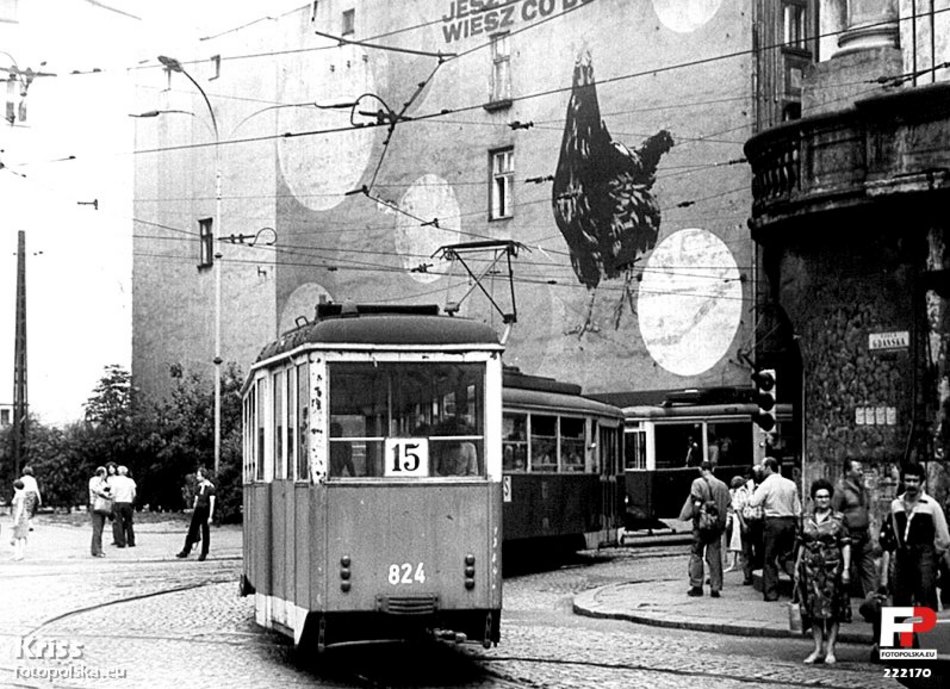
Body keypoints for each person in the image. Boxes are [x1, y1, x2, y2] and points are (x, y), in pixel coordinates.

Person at [793, 478, 852, 664]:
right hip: (810, 570)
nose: (823, 500)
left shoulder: (839, 519)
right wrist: (796, 566)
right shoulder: (805, 518)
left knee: (833, 610)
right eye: (819, 497)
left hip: (832, 571)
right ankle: (817, 649)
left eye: (826, 496)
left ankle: (830, 650)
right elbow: (801, 543)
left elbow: (846, 545)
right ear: (813, 498)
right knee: (813, 611)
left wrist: (847, 569)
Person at [886, 463, 950, 610]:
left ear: (922, 483)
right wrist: (900, 548)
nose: (911, 484)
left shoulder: (931, 505)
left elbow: (944, 537)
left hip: (925, 554)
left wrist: (934, 554)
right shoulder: (896, 504)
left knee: (926, 594)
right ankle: (905, 632)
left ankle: (927, 632)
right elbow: (896, 531)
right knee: (900, 596)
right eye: (908, 480)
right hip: (903, 554)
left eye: (915, 481)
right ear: (903, 481)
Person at [749, 456, 802, 601]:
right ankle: (798, 583)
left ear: (768, 467)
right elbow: (797, 509)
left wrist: (753, 490)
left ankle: (771, 592)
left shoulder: (766, 484)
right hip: (789, 522)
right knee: (787, 556)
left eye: (761, 466)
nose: (760, 469)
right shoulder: (790, 484)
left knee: (770, 558)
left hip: (773, 522)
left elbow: (753, 502)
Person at [832, 458, 877, 598]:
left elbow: (867, 509)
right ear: (848, 472)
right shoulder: (840, 490)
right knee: (843, 572)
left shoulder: (863, 489)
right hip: (848, 537)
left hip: (864, 536)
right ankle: (841, 607)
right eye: (858, 469)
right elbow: (835, 513)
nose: (861, 472)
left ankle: (873, 606)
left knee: (869, 572)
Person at [686, 460, 731, 597]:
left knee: (697, 554)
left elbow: (696, 502)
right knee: (714, 555)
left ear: (701, 469)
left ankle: (697, 585)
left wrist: (695, 516)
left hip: (702, 524)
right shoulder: (723, 485)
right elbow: (728, 503)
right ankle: (715, 587)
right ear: (713, 469)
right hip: (717, 525)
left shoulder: (697, 483)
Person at [177, 467, 216, 561]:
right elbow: (197, 498)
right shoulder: (199, 486)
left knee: (205, 531)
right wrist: (195, 504)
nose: (197, 477)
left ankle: (204, 552)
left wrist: (210, 516)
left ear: (203, 476)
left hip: (205, 509)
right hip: (198, 509)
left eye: (199, 475)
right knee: (192, 530)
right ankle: (186, 550)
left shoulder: (210, 487)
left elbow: (212, 502)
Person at [725, 475, 747, 573]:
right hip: (734, 517)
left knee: (739, 540)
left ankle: (740, 561)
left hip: (739, 517)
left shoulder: (742, 492)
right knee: (735, 540)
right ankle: (735, 562)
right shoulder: (731, 492)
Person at [111, 466, 137, 548]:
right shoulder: (130, 481)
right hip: (128, 502)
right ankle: (131, 541)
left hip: (118, 502)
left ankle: (121, 542)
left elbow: (113, 493)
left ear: (118, 472)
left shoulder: (115, 481)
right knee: (129, 522)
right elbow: (134, 493)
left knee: (119, 522)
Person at [88, 466, 111, 558]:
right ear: (102, 473)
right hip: (96, 505)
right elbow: (96, 490)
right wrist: (106, 494)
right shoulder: (95, 480)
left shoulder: (103, 482)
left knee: (100, 528)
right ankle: (97, 550)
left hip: (102, 506)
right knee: (97, 528)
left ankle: (96, 549)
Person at [10, 479, 32, 560]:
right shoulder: (22, 494)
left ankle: (18, 554)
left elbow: (20, 507)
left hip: (20, 516)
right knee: (21, 536)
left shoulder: (19, 495)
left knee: (18, 536)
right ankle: (19, 554)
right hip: (23, 516)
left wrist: (16, 519)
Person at [18, 466, 41, 530]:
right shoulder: (33, 479)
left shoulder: (22, 479)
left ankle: (28, 524)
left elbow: (20, 488)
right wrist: (39, 498)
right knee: (29, 510)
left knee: (24, 509)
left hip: (25, 494)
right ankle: (29, 524)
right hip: (32, 495)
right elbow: (36, 489)